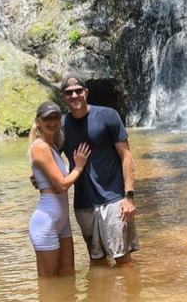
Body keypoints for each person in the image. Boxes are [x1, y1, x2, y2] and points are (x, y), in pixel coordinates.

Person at [60, 75, 140, 265]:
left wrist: (128, 197)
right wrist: (36, 172)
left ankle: (131, 295)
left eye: (79, 90)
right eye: (69, 92)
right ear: (63, 96)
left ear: (86, 92)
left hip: (113, 200)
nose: (75, 95)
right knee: (96, 261)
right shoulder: (61, 126)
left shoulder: (108, 116)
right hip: (83, 204)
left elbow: (126, 156)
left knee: (122, 259)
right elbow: (45, 149)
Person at [28, 101, 91, 276]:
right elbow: (62, 185)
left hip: (61, 221)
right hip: (46, 222)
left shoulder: (52, 147)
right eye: (47, 118)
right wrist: (78, 166)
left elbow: (50, 177)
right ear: (38, 121)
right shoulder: (40, 146)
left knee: (68, 275)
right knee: (49, 284)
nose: (52, 122)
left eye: (56, 117)